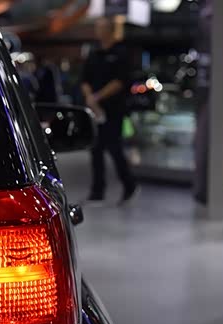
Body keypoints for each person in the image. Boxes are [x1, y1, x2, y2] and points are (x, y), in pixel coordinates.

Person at [80, 16, 138, 204]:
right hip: (94, 110)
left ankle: (129, 184)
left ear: (110, 30)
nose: (99, 31)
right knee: (95, 150)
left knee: (114, 148)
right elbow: (84, 79)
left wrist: (98, 97)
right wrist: (90, 98)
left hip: (114, 109)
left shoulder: (121, 53)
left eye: (102, 28)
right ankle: (97, 190)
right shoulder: (94, 53)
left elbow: (120, 81)